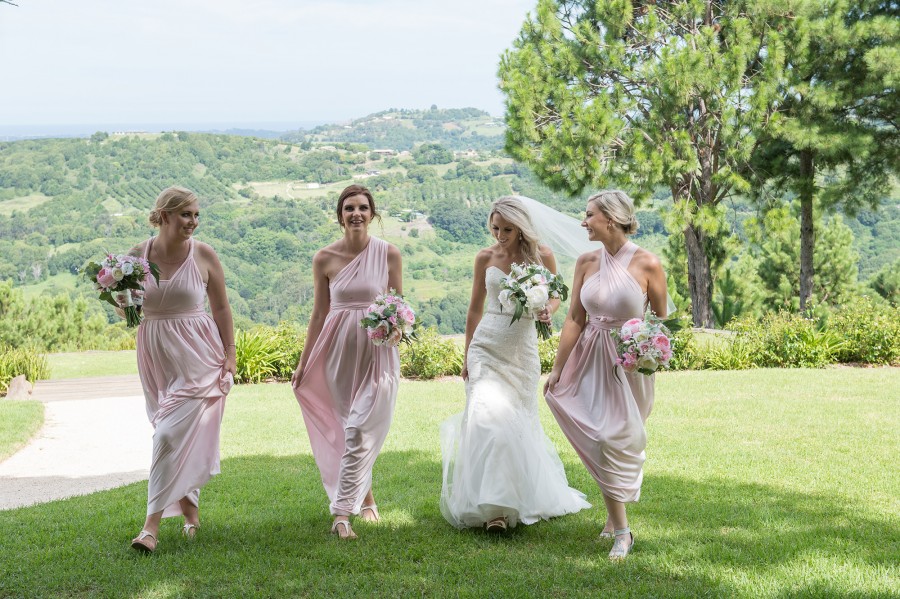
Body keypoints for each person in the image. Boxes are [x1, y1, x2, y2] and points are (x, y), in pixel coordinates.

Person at [440, 196, 590, 532]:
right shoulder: (485, 257)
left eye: (507, 229)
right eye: (495, 228)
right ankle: (493, 510)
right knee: (485, 419)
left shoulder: (542, 255)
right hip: (485, 347)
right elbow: (474, 309)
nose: (500, 235)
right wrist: (466, 355)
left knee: (515, 424)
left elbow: (556, 294)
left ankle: (516, 497)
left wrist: (547, 309)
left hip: (521, 350)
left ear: (521, 227)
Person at [544, 190, 668, 560]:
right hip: (589, 357)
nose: (583, 222)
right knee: (600, 436)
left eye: (589, 216)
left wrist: (647, 352)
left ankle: (613, 518)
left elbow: (661, 322)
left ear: (610, 220)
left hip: (630, 364)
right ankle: (623, 531)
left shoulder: (648, 264)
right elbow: (574, 319)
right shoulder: (585, 262)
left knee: (618, 438)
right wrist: (557, 367)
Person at [291, 184, 403, 540]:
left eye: (363, 208)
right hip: (337, 351)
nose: (356, 213)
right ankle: (366, 499)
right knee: (347, 427)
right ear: (339, 215)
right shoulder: (324, 258)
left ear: (373, 214)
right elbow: (319, 313)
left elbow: (399, 306)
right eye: (349, 208)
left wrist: (396, 331)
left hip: (377, 352)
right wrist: (304, 361)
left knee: (359, 428)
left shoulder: (389, 254)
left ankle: (341, 513)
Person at [128, 186, 236, 553]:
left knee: (167, 436)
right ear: (165, 215)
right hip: (156, 354)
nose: (193, 222)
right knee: (173, 432)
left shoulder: (204, 255)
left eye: (196, 215)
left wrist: (230, 356)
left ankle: (150, 528)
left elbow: (221, 309)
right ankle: (191, 512)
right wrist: (118, 299)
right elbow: (131, 313)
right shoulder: (136, 257)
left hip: (199, 357)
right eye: (186, 214)